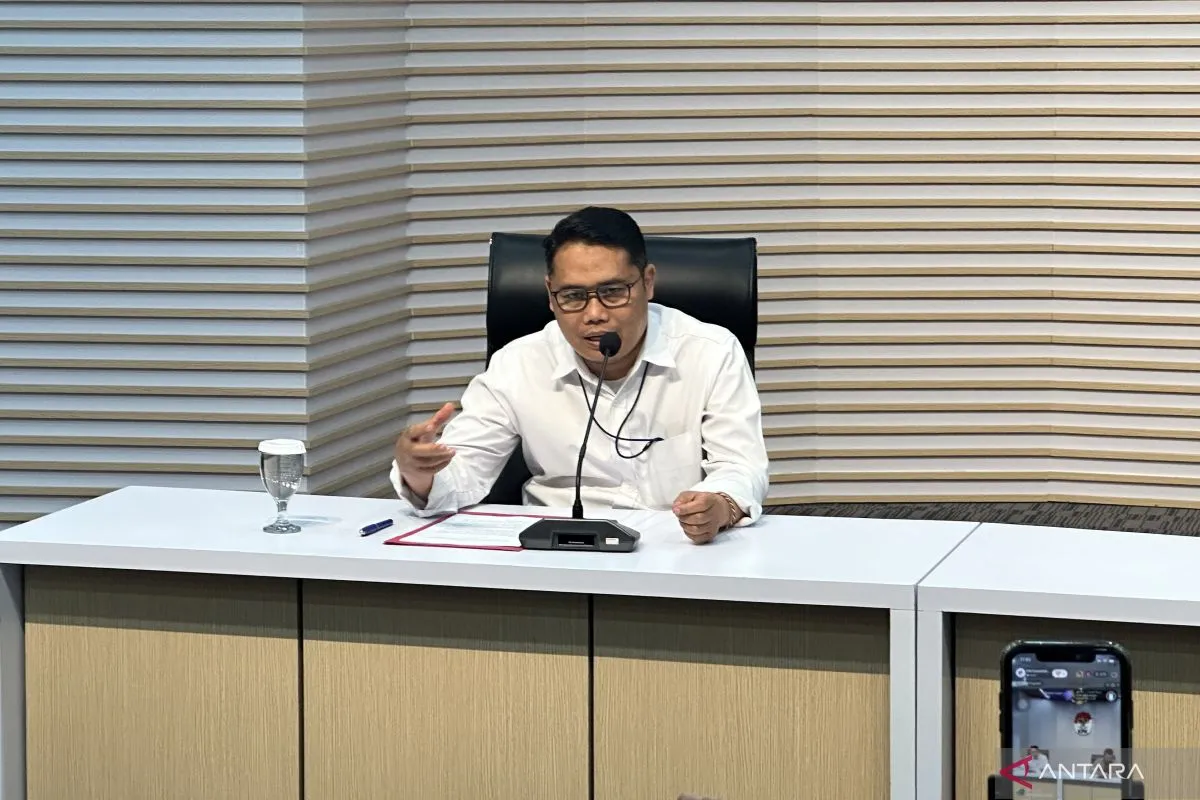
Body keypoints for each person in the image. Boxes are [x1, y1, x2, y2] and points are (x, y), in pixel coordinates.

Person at [389, 205, 770, 544]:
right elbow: (462, 475)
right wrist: (421, 473)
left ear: (648, 282)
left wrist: (719, 505)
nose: (594, 315)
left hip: (672, 548)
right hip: (553, 554)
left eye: (613, 292)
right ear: (550, 293)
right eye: (572, 296)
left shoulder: (710, 351)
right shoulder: (518, 363)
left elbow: (740, 465)